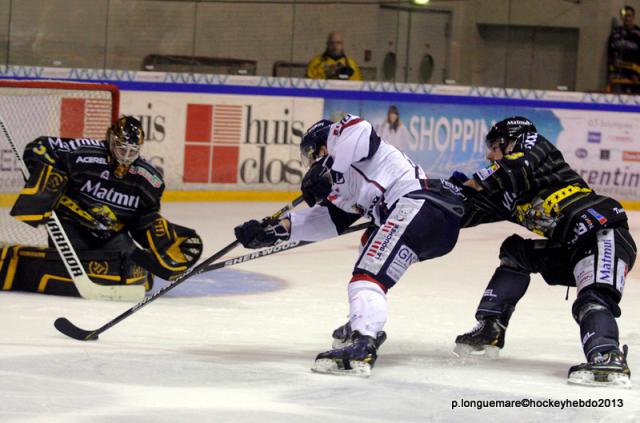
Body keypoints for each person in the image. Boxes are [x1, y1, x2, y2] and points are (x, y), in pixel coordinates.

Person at [234, 115, 465, 376]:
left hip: (419, 204)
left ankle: (363, 345)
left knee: (365, 278)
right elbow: (326, 220)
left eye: (311, 155)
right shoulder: (343, 187)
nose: (310, 162)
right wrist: (272, 232)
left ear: (323, 146)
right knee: (369, 244)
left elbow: (361, 130)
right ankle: (362, 322)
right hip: (427, 221)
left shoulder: (343, 135)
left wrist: (328, 170)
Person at [451, 116, 636, 387]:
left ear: (513, 140)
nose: (489, 154)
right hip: (572, 248)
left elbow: (514, 167)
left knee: (592, 300)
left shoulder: (536, 148)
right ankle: (491, 328)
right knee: (516, 252)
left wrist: (474, 183)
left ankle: (607, 356)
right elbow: (460, 213)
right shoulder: (508, 193)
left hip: (602, 233)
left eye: (495, 146)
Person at [2, 116, 203, 296]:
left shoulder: (148, 180)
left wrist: (160, 237)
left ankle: (145, 270)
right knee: (87, 263)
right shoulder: (84, 154)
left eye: (132, 151)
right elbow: (39, 147)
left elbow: (143, 219)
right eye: (122, 148)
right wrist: (46, 177)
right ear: (111, 141)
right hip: (72, 225)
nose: (125, 156)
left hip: (111, 233)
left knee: (129, 264)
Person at [607, 6, 640, 85]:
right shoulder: (616, 33)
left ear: (633, 17)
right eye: (625, 16)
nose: (627, 18)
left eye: (629, 16)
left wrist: (637, 74)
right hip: (618, 75)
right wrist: (611, 72)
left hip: (634, 76)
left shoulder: (638, 34)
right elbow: (610, 54)